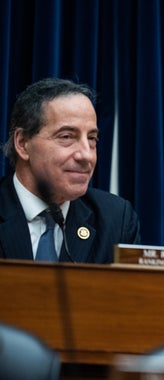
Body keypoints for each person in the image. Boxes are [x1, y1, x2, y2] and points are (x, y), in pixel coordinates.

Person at [0, 77, 140, 263]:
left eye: (92, 139)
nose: (86, 156)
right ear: (23, 143)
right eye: (66, 137)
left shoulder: (115, 220)